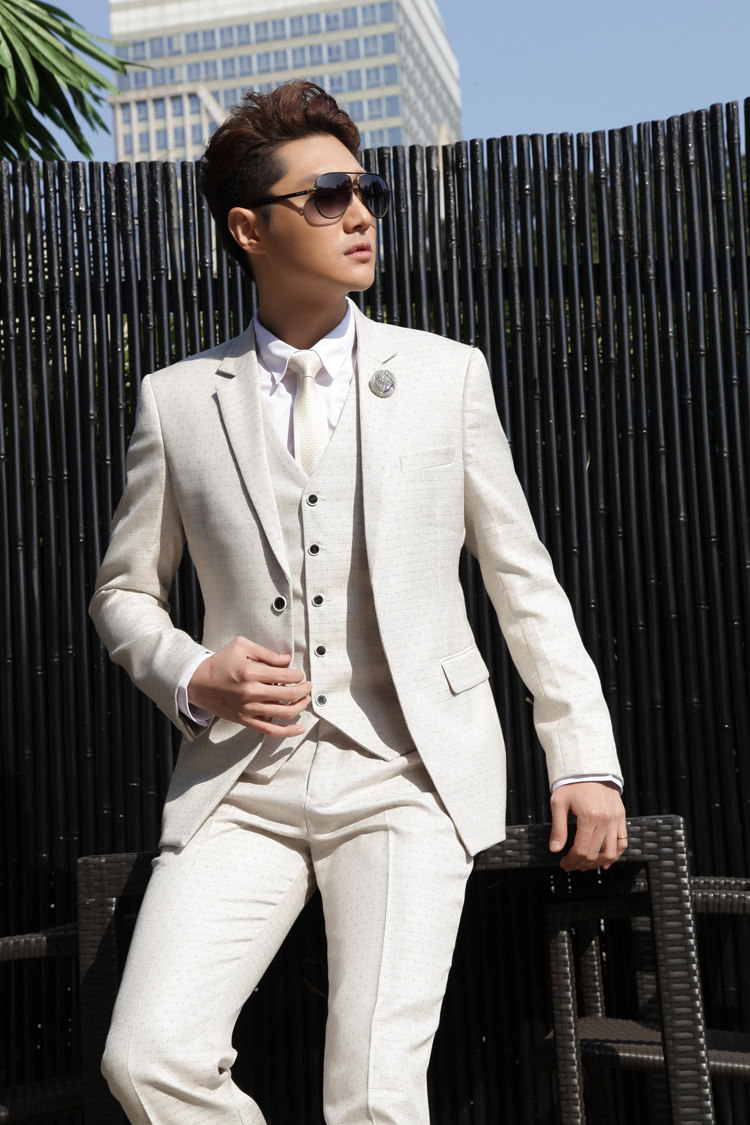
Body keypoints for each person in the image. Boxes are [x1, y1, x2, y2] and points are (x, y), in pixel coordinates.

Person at [90, 80, 626, 1124]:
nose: (360, 214)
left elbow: (522, 581)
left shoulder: (444, 376)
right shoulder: (177, 399)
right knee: (146, 1058)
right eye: (327, 195)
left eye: (364, 190)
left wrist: (583, 757)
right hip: (242, 786)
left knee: (375, 1095)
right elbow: (124, 593)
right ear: (248, 229)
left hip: (407, 775)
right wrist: (192, 672)